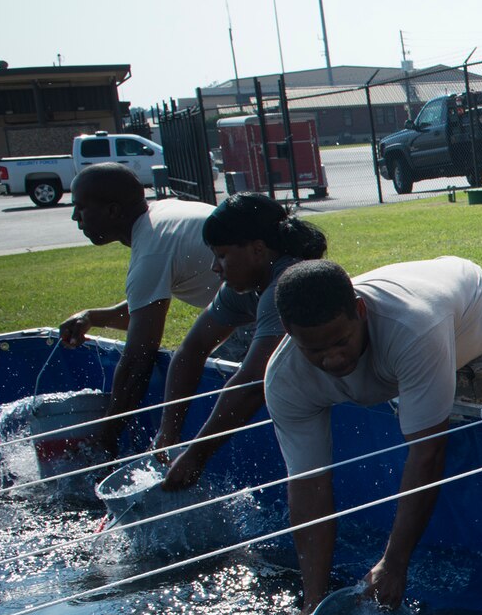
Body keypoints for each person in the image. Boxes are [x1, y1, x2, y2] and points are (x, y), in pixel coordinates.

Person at [264, 257, 482, 611]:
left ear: (360, 310)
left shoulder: (412, 327)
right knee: (463, 444)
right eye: (315, 351)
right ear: (289, 334)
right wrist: (314, 601)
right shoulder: (285, 379)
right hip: (419, 344)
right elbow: (309, 486)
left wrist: (393, 564)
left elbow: (427, 453)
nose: (333, 360)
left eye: (340, 341)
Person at [155, 194, 329, 492]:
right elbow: (191, 349)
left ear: (257, 250)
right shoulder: (243, 287)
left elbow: (252, 382)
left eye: (221, 255)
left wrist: (197, 455)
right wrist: (168, 433)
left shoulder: (287, 286)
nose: (214, 267)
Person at [56, 162, 220, 456]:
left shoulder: (152, 249)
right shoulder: (159, 216)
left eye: (80, 207)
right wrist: (93, 317)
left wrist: (107, 437)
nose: (73, 217)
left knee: (209, 372)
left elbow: (138, 359)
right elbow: (143, 311)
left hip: (268, 307)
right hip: (270, 295)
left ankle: (173, 449)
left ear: (114, 211)